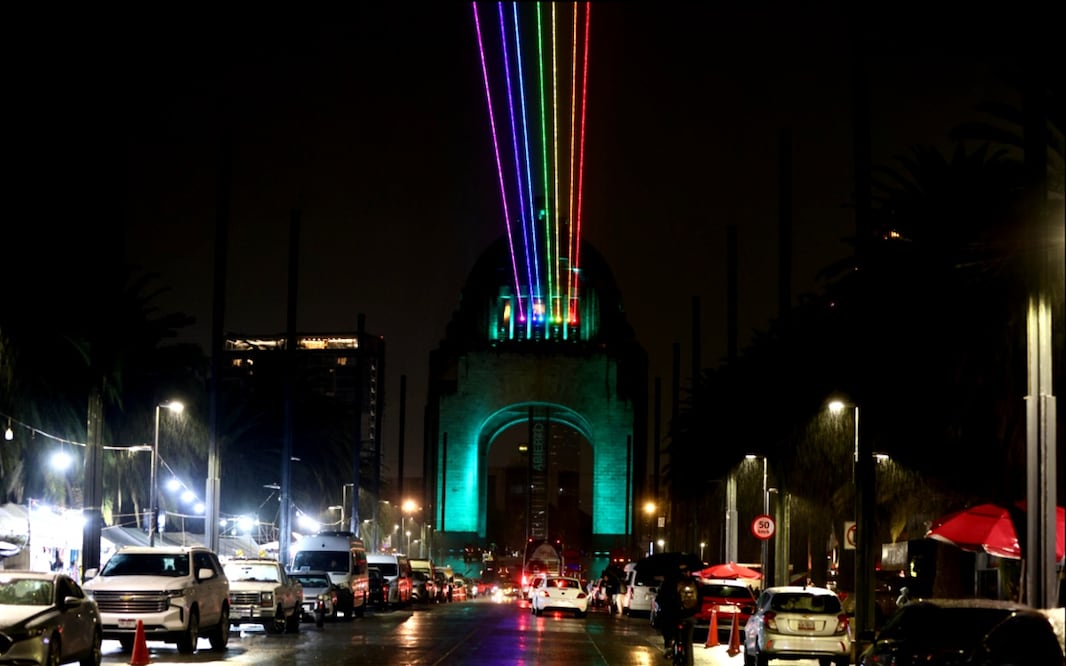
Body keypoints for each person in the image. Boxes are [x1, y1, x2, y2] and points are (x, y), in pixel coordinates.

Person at [655, 567, 699, 662]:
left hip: (674, 616)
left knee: (666, 626)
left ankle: (668, 646)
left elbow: (661, 599)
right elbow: (700, 599)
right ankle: (689, 662)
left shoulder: (669, 582)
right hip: (689, 616)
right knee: (688, 643)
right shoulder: (693, 582)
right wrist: (695, 611)